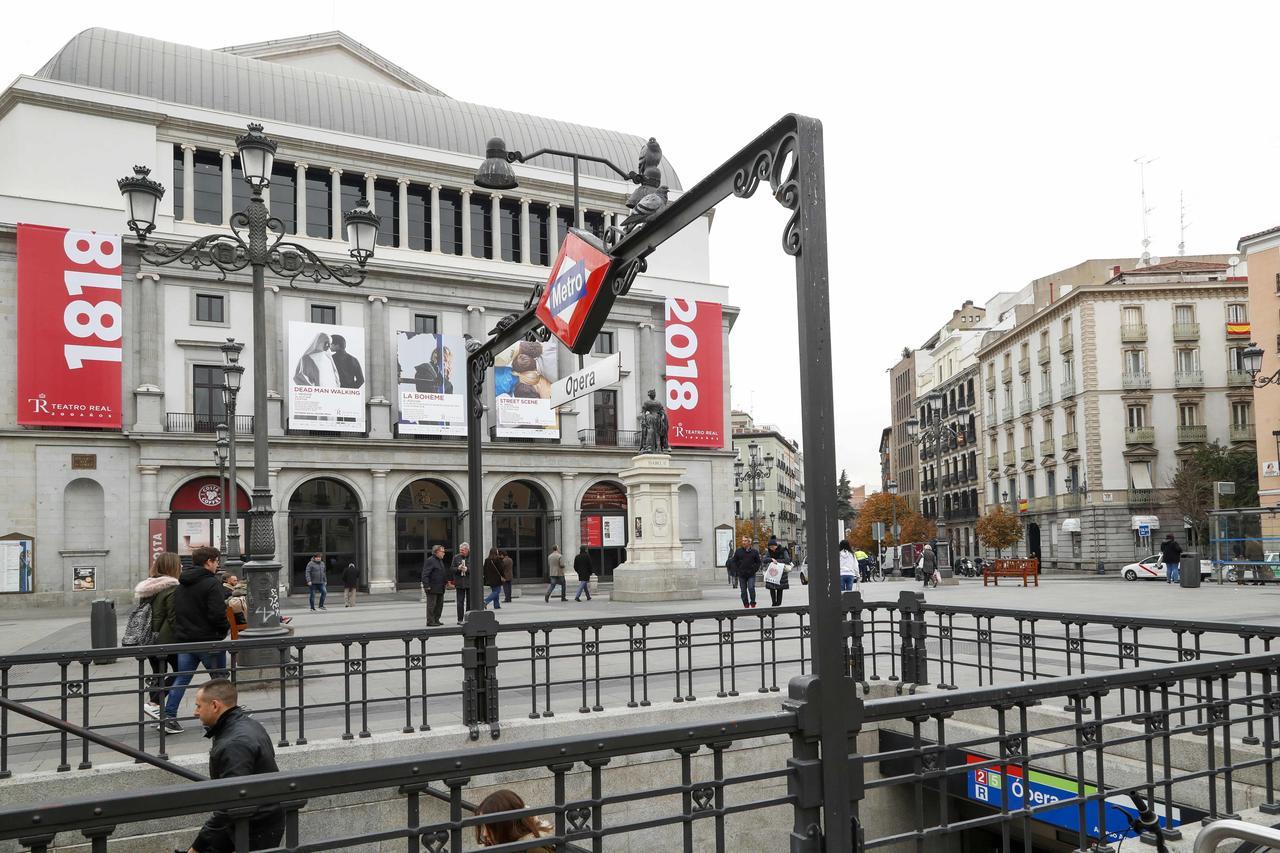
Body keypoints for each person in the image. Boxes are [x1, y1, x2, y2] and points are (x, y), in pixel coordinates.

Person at [184, 679, 284, 853]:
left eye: (198, 706)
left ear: (215, 705)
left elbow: (232, 800)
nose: (195, 712)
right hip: (253, 817)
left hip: (252, 823)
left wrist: (197, 847)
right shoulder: (248, 724)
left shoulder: (234, 743)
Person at [162, 546, 230, 733]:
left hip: (186, 640)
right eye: (216, 561)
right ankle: (228, 717)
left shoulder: (181, 584)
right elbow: (217, 613)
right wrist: (223, 630)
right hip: (209, 640)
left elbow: (175, 613)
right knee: (220, 680)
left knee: (182, 677)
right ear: (208, 561)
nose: (217, 565)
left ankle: (169, 716)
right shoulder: (211, 583)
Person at [133, 552, 180, 720]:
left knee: (158, 673)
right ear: (173, 567)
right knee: (181, 671)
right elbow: (173, 617)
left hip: (147, 638)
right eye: (178, 564)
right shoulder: (172, 587)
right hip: (166, 639)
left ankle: (155, 708)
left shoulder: (148, 587)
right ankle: (153, 703)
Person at [474, 789, 553, 851]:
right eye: (483, 826)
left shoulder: (533, 850)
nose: (484, 833)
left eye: (490, 827)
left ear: (506, 825)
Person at [729, 535, 762, 608]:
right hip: (742, 575)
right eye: (743, 541)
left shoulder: (754, 552)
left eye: (745, 541)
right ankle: (746, 604)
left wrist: (754, 569)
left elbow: (758, 562)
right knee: (743, 591)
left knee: (751, 588)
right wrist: (737, 570)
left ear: (749, 542)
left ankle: (753, 602)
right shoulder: (738, 551)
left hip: (751, 574)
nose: (743, 542)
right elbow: (734, 561)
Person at [763, 536, 792, 606]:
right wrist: (771, 559)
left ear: (776, 545)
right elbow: (764, 560)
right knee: (771, 587)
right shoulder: (769, 551)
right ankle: (773, 603)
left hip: (781, 572)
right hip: (772, 572)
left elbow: (787, 560)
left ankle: (778, 603)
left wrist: (777, 561)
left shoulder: (783, 550)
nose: (771, 548)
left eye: (773, 547)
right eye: (770, 547)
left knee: (780, 588)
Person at [422, 545, 447, 626]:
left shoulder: (440, 560)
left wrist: (446, 582)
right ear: (437, 552)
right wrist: (426, 585)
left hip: (440, 587)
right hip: (432, 587)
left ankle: (436, 620)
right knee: (431, 606)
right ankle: (430, 621)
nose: (444, 553)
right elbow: (425, 574)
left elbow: (442, 573)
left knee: (439, 606)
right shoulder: (430, 560)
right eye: (442, 552)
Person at [451, 542, 471, 623]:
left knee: (469, 602)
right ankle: (460, 619)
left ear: (467, 550)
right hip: (459, 583)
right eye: (460, 550)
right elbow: (452, 569)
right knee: (460, 602)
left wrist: (467, 569)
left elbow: (477, 569)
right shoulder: (456, 557)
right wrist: (458, 568)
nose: (461, 551)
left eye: (462, 550)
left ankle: (468, 618)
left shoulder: (473, 557)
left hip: (469, 583)